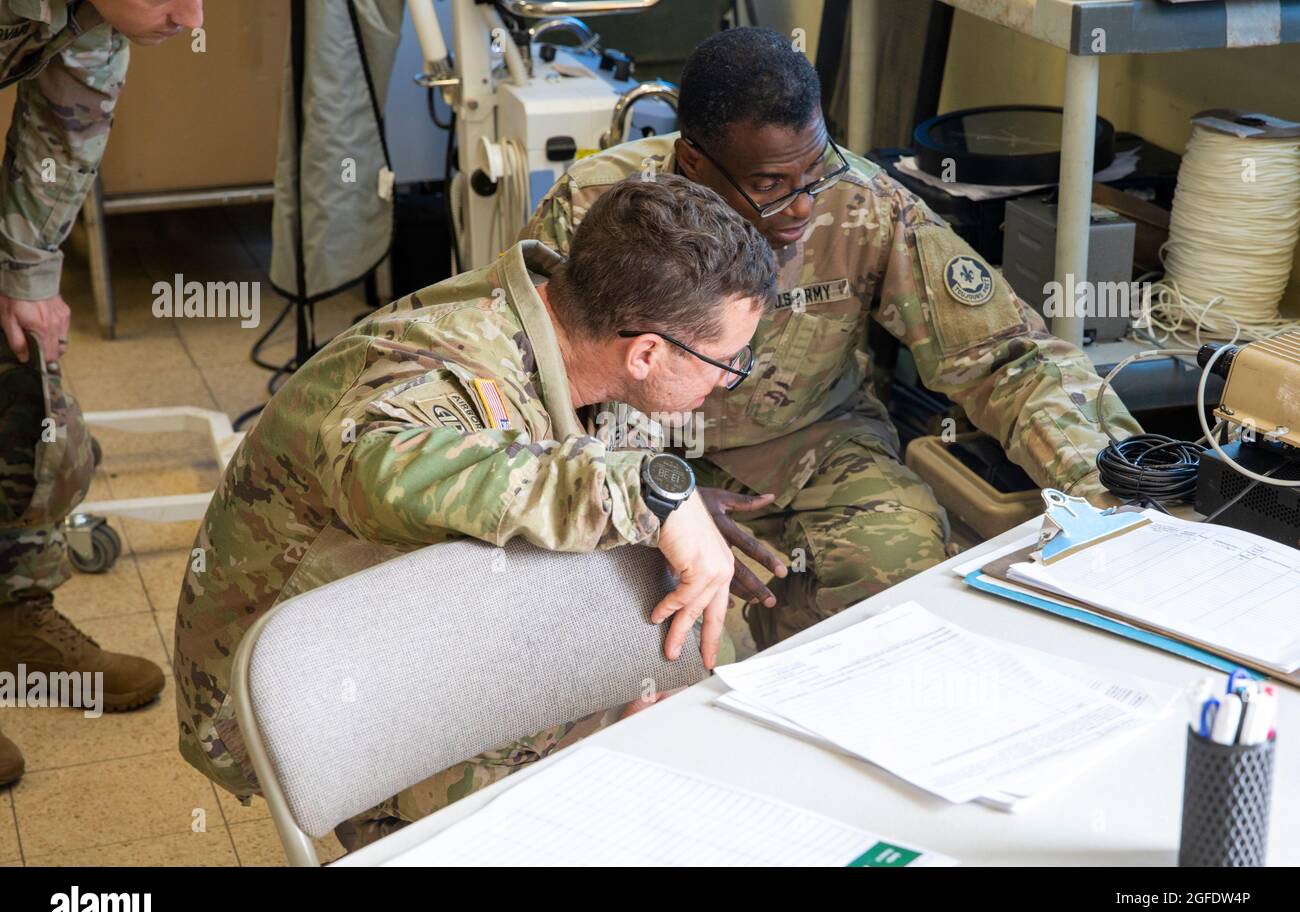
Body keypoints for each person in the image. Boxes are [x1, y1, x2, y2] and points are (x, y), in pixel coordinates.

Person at [173, 174, 776, 847]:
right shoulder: (452, 366)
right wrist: (651, 496)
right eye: (725, 360)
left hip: (424, 619)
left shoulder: (580, 332)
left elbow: (579, 482)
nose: (730, 377)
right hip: (290, 694)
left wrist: (631, 661)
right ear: (645, 352)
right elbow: (378, 470)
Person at [523, 27, 1143, 650]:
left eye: (814, 172)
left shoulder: (861, 204)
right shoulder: (592, 211)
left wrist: (1116, 490)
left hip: (808, 442)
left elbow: (1008, 357)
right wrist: (650, 496)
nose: (800, 207)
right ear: (694, 163)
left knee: (899, 582)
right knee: (622, 635)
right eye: (768, 185)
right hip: (627, 452)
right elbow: (518, 382)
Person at [0, 0, 205, 785]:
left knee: (27, 388)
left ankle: (14, 612)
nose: (190, 17)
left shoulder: (101, 16)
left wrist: (24, 279)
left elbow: (63, 119)